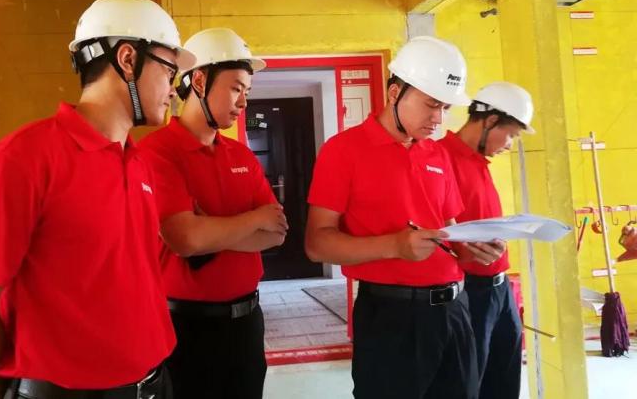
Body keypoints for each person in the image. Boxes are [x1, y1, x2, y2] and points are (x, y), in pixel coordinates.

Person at [0, 0, 195, 399]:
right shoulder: (22, 160)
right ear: (128, 59)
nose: (174, 90)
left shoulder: (138, 162)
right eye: (168, 70)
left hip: (155, 383)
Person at [306, 36, 504, 399]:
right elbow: (317, 243)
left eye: (445, 107)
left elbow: (449, 231)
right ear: (395, 92)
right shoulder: (343, 151)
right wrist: (395, 246)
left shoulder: (437, 154)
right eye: (431, 104)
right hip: (391, 317)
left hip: (456, 311)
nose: (438, 119)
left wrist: (473, 247)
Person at [139, 27, 287, 399]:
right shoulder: (157, 153)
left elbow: (276, 232)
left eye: (247, 92)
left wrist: (210, 230)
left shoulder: (241, 155)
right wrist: (253, 219)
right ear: (200, 81)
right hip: (185, 328)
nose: (243, 102)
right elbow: (186, 239)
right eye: (236, 88)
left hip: (247, 325)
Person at [439, 81, 533, 399]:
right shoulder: (442, 158)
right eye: (511, 135)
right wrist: (462, 252)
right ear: (490, 121)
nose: (509, 144)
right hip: (468, 293)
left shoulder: (479, 161)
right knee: (469, 384)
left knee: (504, 381)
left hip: (501, 290)